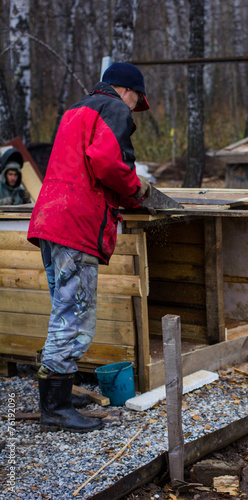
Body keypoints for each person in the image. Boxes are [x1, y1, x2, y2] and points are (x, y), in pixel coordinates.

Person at [27, 62, 152, 433]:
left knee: (63, 314)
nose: (133, 110)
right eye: (136, 102)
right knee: (75, 319)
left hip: (51, 218)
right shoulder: (114, 108)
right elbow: (106, 162)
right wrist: (135, 188)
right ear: (127, 91)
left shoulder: (75, 110)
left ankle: (59, 396)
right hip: (76, 223)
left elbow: (81, 162)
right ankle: (55, 411)